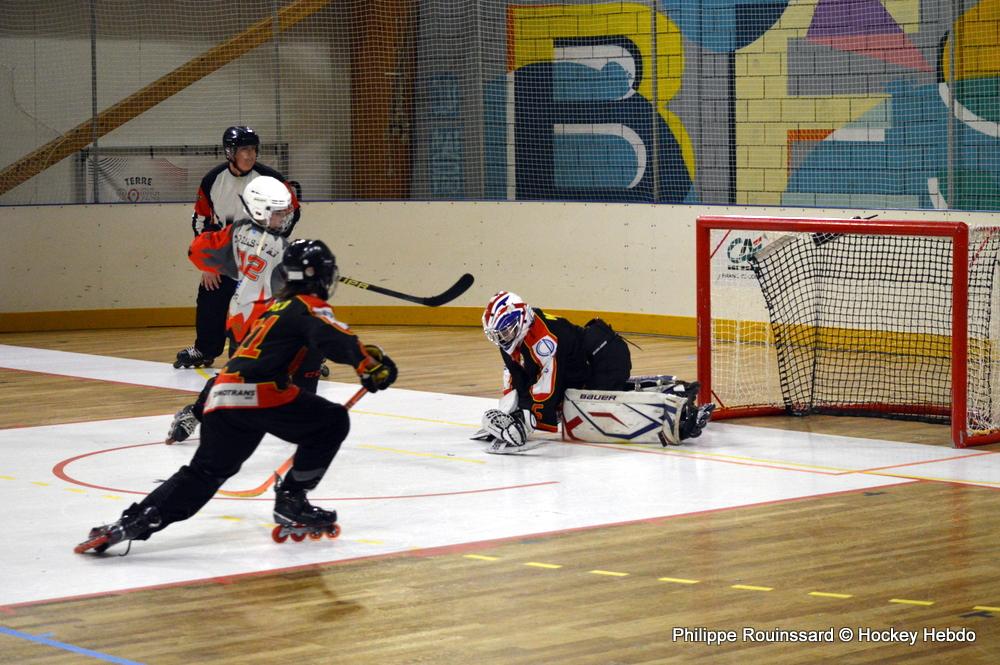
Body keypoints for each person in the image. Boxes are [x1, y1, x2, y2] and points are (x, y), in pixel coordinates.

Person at [75, 239, 397, 555]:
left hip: (222, 396)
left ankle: (133, 521)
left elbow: (320, 340)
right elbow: (332, 335)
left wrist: (366, 357)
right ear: (318, 275)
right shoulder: (308, 306)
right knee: (332, 421)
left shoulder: (275, 308)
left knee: (204, 473)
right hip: (259, 392)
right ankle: (292, 500)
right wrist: (369, 366)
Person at [475, 291, 713, 453]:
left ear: (521, 320)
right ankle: (671, 390)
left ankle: (678, 412)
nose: (502, 338)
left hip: (605, 355)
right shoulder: (515, 339)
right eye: (497, 334)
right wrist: (509, 412)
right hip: (585, 363)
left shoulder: (543, 339)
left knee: (595, 410)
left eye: (504, 331)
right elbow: (516, 378)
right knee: (580, 403)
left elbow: (547, 390)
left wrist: (526, 419)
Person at [164, 175, 304, 444]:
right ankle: (195, 413)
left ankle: (203, 414)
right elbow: (289, 280)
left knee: (255, 377)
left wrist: (220, 261)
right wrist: (310, 270)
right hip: (255, 321)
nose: (283, 218)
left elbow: (197, 250)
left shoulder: (240, 231)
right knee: (240, 379)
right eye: (278, 213)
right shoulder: (276, 246)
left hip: (245, 317)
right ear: (261, 211)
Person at [174, 125, 301, 369]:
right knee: (211, 294)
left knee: (278, 305)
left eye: (253, 149)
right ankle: (205, 349)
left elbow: (292, 212)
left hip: (263, 254)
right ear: (230, 152)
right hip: (228, 253)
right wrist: (209, 261)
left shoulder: (271, 179)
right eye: (244, 150)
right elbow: (202, 220)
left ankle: (302, 354)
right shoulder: (213, 180)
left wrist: (269, 243)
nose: (250, 155)